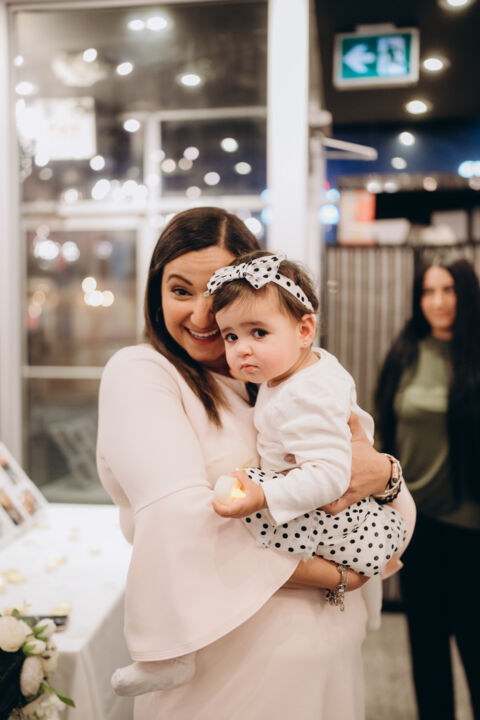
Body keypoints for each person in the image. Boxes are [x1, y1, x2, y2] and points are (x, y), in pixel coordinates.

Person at [97, 207, 415, 720]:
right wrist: (339, 574)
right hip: (228, 685)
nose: (203, 315)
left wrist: (386, 474)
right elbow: (186, 523)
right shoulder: (143, 373)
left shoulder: (286, 381)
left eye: (216, 292)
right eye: (180, 291)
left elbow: (381, 499)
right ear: (156, 295)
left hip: (331, 666)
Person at [207, 250, 406, 580]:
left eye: (258, 332)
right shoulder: (296, 370)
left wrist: (263, 495)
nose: (241, 348)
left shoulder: (307, 393)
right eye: (231, 336)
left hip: (332, 515)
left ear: (304, 331)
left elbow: (330, 476)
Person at [375, 251, 480, 720]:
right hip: (415, 524)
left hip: (470, 527)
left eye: (448, 290)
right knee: (427, 647)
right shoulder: (407, 350)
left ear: (466, 294)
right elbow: (384, 427)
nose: (438, 301)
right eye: (428, 291)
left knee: (475, 646)